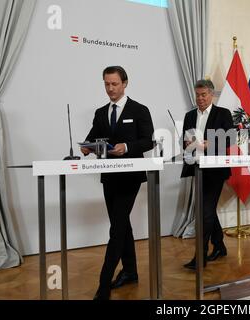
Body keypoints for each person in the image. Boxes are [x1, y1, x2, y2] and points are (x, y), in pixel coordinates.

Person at [81, 66, 154, 299]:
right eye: (106, 84)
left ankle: (103, 284)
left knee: (116, 228)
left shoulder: (140, 110)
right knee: (122, 225)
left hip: (130, 177)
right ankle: (131, 272)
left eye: (114, 84)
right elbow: (93, 138)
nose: (110, 88)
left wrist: (128, 147)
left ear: (125, 83)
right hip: (109, 178)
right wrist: (86, 147)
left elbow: (148, 141)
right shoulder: (101, 112)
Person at [181, 79, 235, 270]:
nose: (200, 98)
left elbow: (230, 137)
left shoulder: (223, 113)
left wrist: (208, 144)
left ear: (212, 95)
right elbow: (184, 141)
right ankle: (219, 246)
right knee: (208, 209)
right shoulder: (189, 116)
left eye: (204, 95)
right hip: (196, 167)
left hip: (215, 169)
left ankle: (200, 257)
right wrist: (188, 145)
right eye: (198, 95)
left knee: (204, 210)